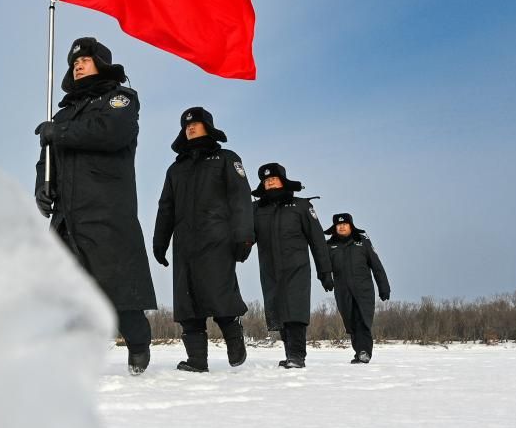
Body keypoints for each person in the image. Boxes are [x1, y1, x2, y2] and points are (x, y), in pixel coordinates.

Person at [34, 36, 157, 375]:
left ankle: (138, 340)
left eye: (85, 59)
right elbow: (47, 158)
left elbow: (110, 133)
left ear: (101, 63)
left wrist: (58, 132)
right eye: (74, 61)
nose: (78, 64)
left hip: (105, 210)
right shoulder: (62, 114)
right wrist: (42, 186)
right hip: (67, 215)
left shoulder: (120, 99)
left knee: (115, 289)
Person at [153, 107, 254, 372]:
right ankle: (197, 361)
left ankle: (234, 341)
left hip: (217, 239)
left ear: (208, 126)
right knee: (187, 303)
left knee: (218, 294)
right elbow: (166, 207)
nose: (190, 128)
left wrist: (244, 236)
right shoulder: (176, 169)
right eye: (186, 125)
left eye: (196, 124)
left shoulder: (226, 159)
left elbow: (241, 199)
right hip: (185, 244)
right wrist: (159, 242)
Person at [251, 163, 332, 368]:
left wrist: (325, 271)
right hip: (269, 269)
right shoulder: (256, 209)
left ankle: (297, 356)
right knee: (279, 312)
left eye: (273, 179)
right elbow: (245, 236)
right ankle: (290, 355)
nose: (269, 182)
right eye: (266, 180)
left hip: (296, 268)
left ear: (283, 180)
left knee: (294, 311)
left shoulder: (301, 206)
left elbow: (317, 241)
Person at [324, 213, 390, 364]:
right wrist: (326, 278)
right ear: (335, 227)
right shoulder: (329, 246)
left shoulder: (362, 242)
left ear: (351, 226)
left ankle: (364, 352)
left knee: (362, 320)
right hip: (342, 291)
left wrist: (384, 287)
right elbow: (324, 266)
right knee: (351, 322)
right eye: (338, 225)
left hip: (363, 290)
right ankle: (359, 352)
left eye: (345, 224)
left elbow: (376, 266)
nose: (341, 227)